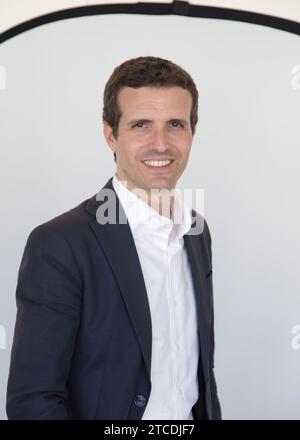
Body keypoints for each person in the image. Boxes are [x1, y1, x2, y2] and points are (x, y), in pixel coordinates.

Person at [6, 56, 221, 420]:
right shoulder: (60, 244)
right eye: (140, 125)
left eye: (175, 124)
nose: (161, 144)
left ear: (192, 133)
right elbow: (33, 401)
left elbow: (195, 374)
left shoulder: (196, 232)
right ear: (111, 135)